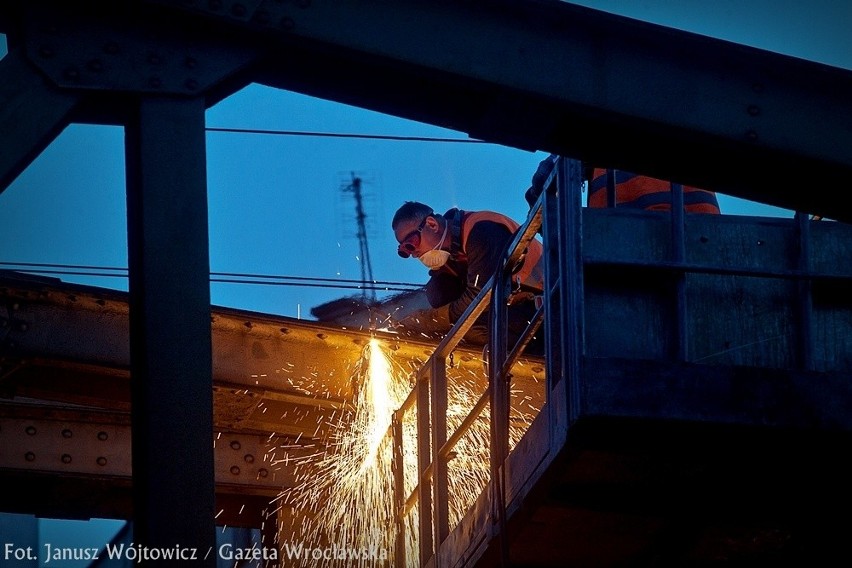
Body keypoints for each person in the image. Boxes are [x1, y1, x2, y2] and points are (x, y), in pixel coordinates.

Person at [391, 201, 544, 351]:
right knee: (437, 291)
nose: (413, 254)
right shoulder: (451, 256)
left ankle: (534, 352)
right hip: (515, 308)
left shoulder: (481, 231)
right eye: (406, 251)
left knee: (468, 328)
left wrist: (431, 319)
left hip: (546, 307)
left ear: (432, 224)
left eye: (411, 243)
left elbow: (480, 298)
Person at [526, 154, 721, 214]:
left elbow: (544, 176)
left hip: (622, 244)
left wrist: (535, 196)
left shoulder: (603, 112)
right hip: (705, 239)